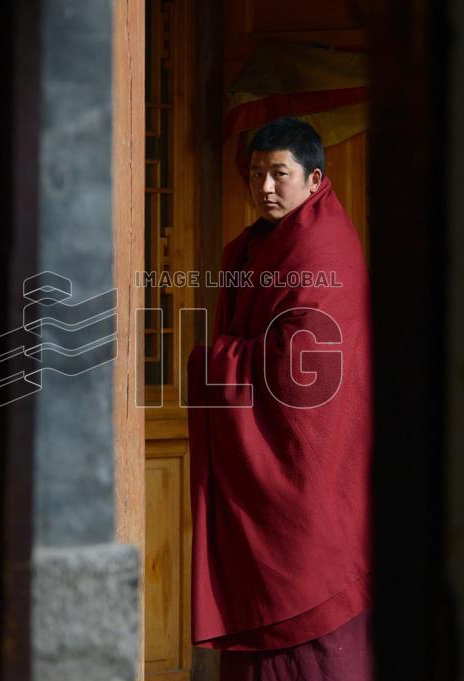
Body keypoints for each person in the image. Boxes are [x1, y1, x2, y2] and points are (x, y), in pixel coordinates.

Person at [186, 117, 374, 680]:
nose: (265, 187)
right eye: (255, 174)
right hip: (262, 476)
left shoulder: (324, 249)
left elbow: (300, 376)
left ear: (315, 178)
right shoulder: (252, 247)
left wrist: (212, 363)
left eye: (279, 174)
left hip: (308, 473)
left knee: (307, 620)